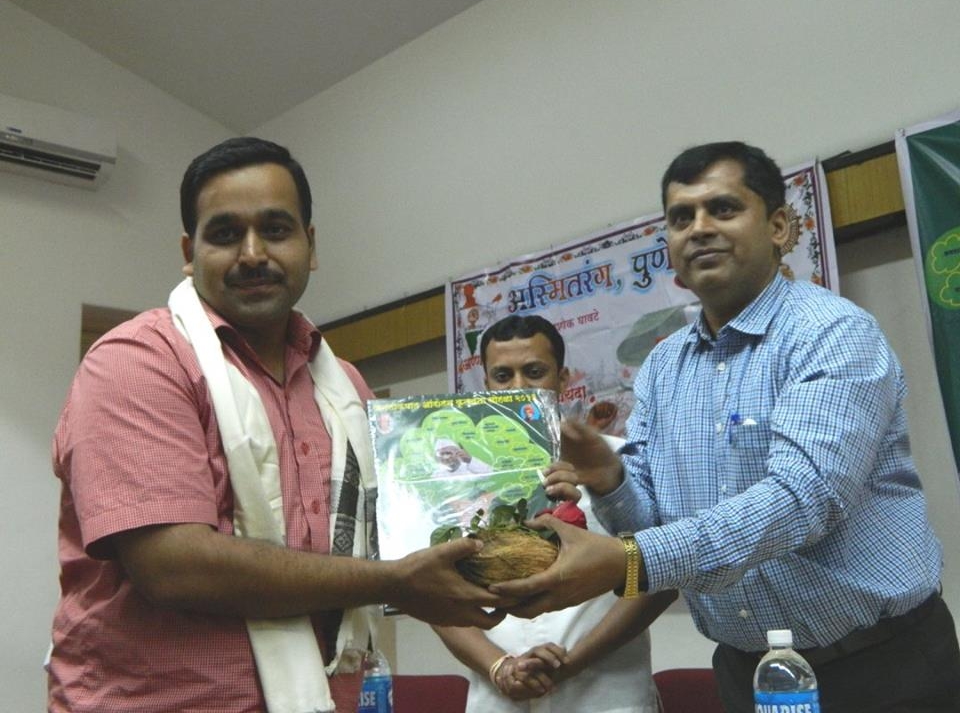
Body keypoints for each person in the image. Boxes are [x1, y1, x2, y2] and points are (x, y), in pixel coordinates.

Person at [48, 137, 509, 713]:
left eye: (275, 229)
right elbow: (174, 567)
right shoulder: (139, 362)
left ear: (309, 245)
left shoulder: (344, 387)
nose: (252, 253)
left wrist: (517, 525)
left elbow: (409, 531)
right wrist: (393, 580)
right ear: (189, 252)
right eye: (224, 234)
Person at [494, 142, 960, 712]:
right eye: (681, 217)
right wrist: (609, 479)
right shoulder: (663, 366)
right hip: (745, 671)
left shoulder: (833, 332)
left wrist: (629, 560)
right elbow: (649, 523)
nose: (699, 229)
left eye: (723, 208)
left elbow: (802, 499)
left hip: (882, 669)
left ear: (779, 227)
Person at [433, 314, 676, 713]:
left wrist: (572, 663)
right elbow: (433, 591)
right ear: (487, 383)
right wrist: (500, 667)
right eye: (503, 376)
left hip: (606, 694)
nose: (518, 387)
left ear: (562, 379)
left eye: (534, 372)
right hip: (499, 696)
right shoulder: (456, 478)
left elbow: (662, 578)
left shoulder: (617, 463)